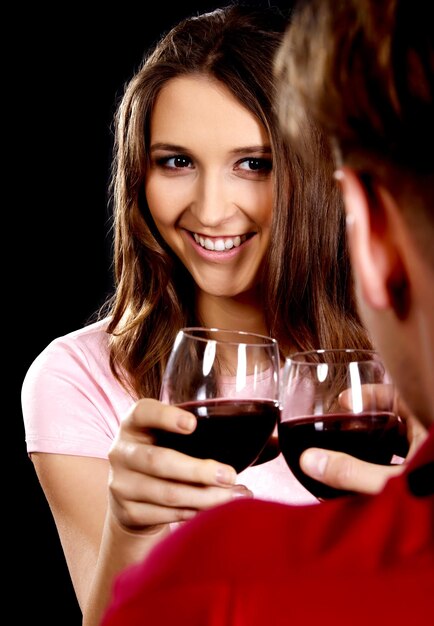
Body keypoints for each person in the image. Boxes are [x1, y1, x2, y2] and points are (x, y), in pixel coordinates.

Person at [21, 3, 421, 625]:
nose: (210, 210)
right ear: (138, 176)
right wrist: (131, 529)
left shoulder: (404, 356)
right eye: (176, 162)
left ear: (316, 173)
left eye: (254, 164)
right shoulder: (78, 379)